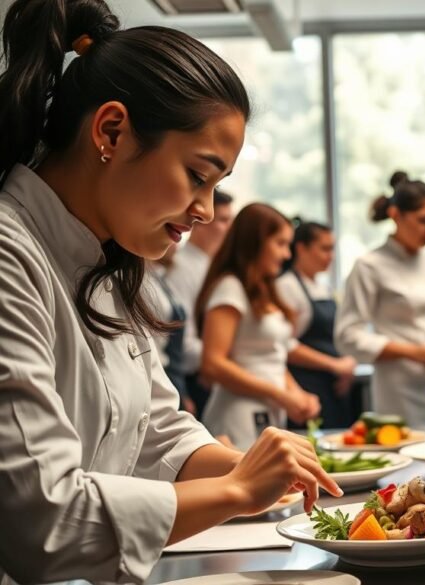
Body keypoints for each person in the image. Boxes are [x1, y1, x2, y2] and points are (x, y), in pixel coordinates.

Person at [0, 1, 339, 582]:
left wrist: (259, 469)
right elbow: (46, 520)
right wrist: (237, 488)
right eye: (198, 176)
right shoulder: (11, 254)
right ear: (111, 131)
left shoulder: (106, 264)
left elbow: (160, 430)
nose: (206, 211)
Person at [335, 171, 425, 428]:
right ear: (396, 215)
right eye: (423, 220)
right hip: (399, 391)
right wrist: (414, 352)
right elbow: (347, 335)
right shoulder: (370, 266)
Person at [197, 203, 322, 449]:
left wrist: (297, 394)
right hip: (237, 417)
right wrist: (280, 395)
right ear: (255, 242)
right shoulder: (230, 288)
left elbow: (272, 356)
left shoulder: (262, 289)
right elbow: (212, 364)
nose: (287, 255)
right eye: (280, 244)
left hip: (268, 413)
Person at [277, 220, 357, 428]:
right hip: (307, 387)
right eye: (324, 249)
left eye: (332, 249)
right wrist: (333, 364)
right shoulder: (287, 287)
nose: (330, 256)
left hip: (334, 389)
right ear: (301, 248)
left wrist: (346, 366)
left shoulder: (324, 287)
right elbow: (285, 346)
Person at [165, 188, 234, 417]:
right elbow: (181, 336)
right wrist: (223, 357)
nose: (229, 228)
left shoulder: (213, 266)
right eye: (223, 220)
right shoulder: (182, 268)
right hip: (195, 377)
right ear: (200, 221)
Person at [144, 244, 190, 410]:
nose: (176, 245)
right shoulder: (143, 282)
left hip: (170, 376)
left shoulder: (157, 276)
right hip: (159, 374)